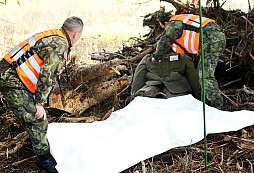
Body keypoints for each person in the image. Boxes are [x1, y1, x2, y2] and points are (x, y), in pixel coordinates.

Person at [0, 16, 83, 172]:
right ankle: (44, 160)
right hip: (11, 79)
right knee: (38, 119)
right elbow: (48, 75)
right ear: (75, 34)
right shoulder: (60, 45)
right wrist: (39, 103)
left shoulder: (54, 35)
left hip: (9, 73)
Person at [152, 12, 226, 109]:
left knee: (205, 75)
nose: (165, 30)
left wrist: (157, 57)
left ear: (165, 23)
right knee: (202, 71)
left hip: (210, 41)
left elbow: (164, 42)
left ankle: (217, 105)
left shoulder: (174, 24)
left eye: (163, 28)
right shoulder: (184, 18)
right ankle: (206, 98)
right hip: (217, 36)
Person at [131, 53, 200, 99]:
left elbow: (138, 78)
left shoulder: (148, 58)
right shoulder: (183, 58)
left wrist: (134, 94)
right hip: (177, 91)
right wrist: (198, 95)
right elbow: (194, 79)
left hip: (151, 89)